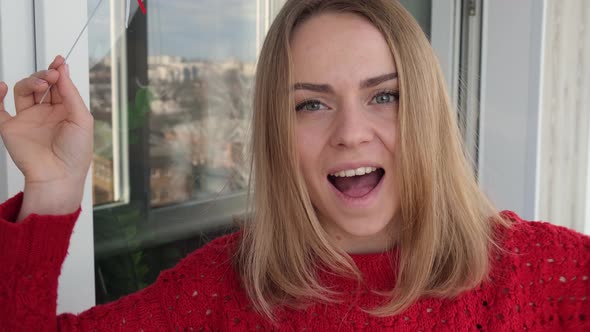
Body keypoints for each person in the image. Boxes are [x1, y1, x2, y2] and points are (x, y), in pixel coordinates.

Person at [0, 0, 588, 330]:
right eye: (311, 104)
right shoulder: (218, 295)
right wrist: (51, 188)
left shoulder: (546, 275)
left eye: (385, 95)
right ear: (276, 135)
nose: (351, 133)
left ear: (429, 112)